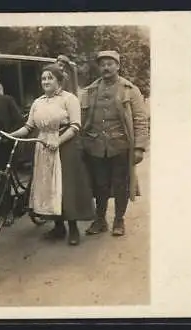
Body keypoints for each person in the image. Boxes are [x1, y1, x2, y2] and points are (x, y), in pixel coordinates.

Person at [8, 64, 96, 246]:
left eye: (50, 78)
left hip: (65, 146)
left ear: (59, 81)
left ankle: (73, 229)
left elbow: (75, 126)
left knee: (65, 187)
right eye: (43, 78)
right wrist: (11, 135)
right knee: (48, 187)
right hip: (43, 147)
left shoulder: (69, 99)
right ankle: (58, 227)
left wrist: (58, 141)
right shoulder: (38, 102)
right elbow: (28, 127)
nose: (46, 81)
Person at [81, 50, 149, 237]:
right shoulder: (91, 90)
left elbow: (140, 120)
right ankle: (100, 220)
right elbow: (83, 117)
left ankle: (119, 220)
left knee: (121, 185)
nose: (106, 67)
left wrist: (139, 147)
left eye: (110, 63)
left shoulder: (130, 90)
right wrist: (83, 142)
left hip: (120, 145)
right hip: (95, 146)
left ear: (118, 66)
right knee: (99, 185)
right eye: (102, 64)